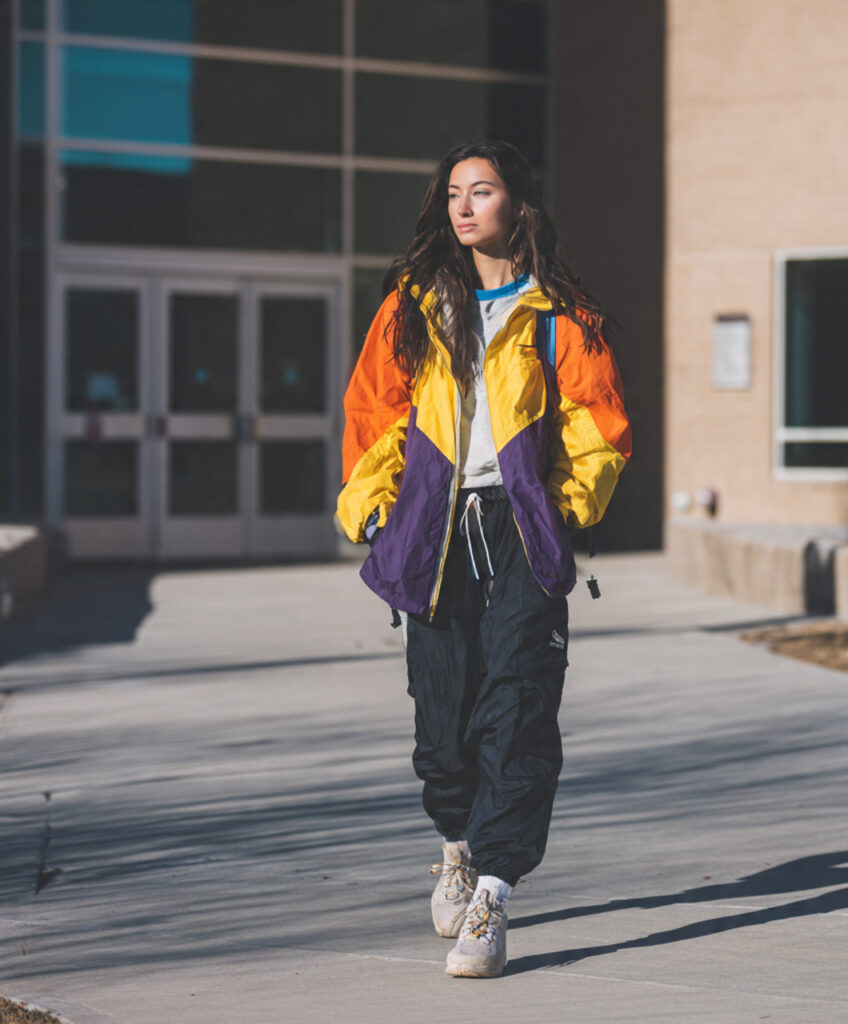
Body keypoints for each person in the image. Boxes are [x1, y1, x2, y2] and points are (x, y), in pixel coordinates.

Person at [336, 140, 630, 978]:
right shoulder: (414, 306)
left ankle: (495, 892)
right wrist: (372, 504)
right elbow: (374, 413)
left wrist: (570, 503)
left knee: (519, 708)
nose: (465, 206)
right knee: (444, 719)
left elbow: (597, 424)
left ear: (518, 205)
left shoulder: (558, 314)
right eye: (456, 193)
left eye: (484, 191)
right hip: (431, 528)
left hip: (519, 526)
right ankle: (456, 849)